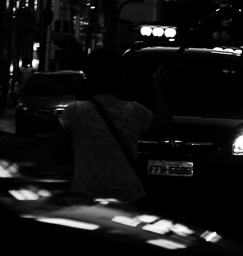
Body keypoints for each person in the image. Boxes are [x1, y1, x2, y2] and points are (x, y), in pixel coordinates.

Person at [54, 48, 172, 203]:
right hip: (127, 196)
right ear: (121, 77)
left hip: (86, 198)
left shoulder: (74, 111)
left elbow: (59, 157)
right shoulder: (135, 111)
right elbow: (166, 126)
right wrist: (158, 86)